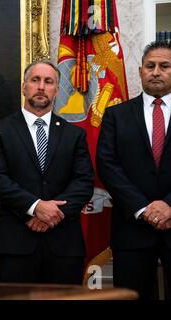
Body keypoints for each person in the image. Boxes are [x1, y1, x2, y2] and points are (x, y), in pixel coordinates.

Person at [0, 61, 94, 284]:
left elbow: (84, 181)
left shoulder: (75, 135)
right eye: (35, 80)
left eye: (48, 81)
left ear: (57, 91)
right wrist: (34, 208)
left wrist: (52, 214)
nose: (41, 86)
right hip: (15, 243)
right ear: (24, 87)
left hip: (64, 244)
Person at [96, 40, 171, 299]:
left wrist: (169, 205)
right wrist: (143, 208)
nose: (156, 72)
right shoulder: (116, 115)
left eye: (164, 66)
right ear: (140, 71)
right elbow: (107, 164)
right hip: (132, 229)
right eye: (150, 66)